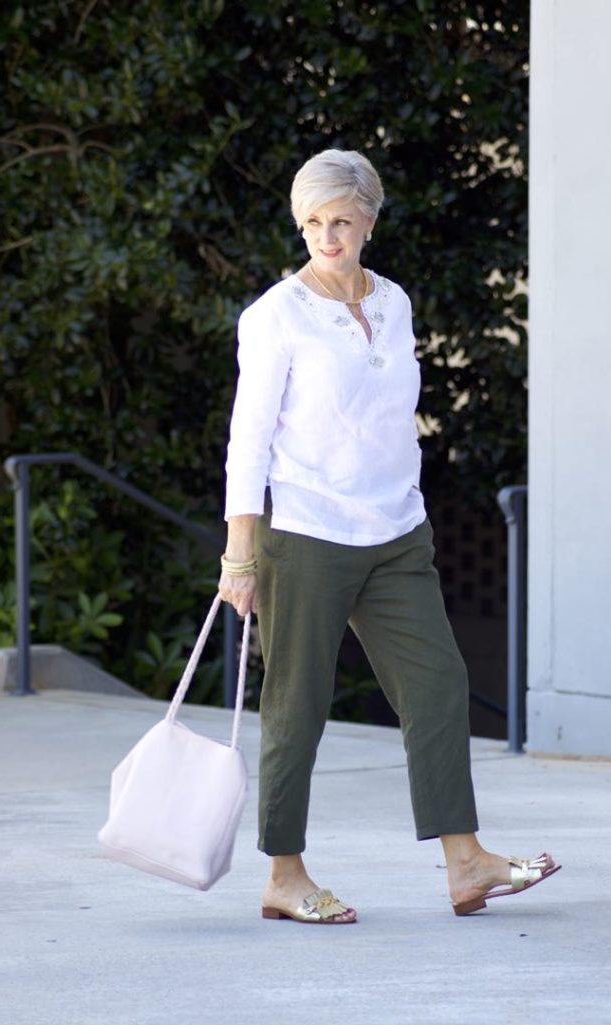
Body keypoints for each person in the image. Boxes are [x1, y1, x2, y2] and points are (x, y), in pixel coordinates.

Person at [218, 148, 560, 923]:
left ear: (370, 218)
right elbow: (248, 440)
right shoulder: (277, 315)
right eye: (311, 222)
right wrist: (240, 552)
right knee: (296, 706)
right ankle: (283, 872)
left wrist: (405, 498)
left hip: (396, 531)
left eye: (340, 220)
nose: (326, 236)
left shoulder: (395, 301)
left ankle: (465, 861)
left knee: (436, 686)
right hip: (304, 533)